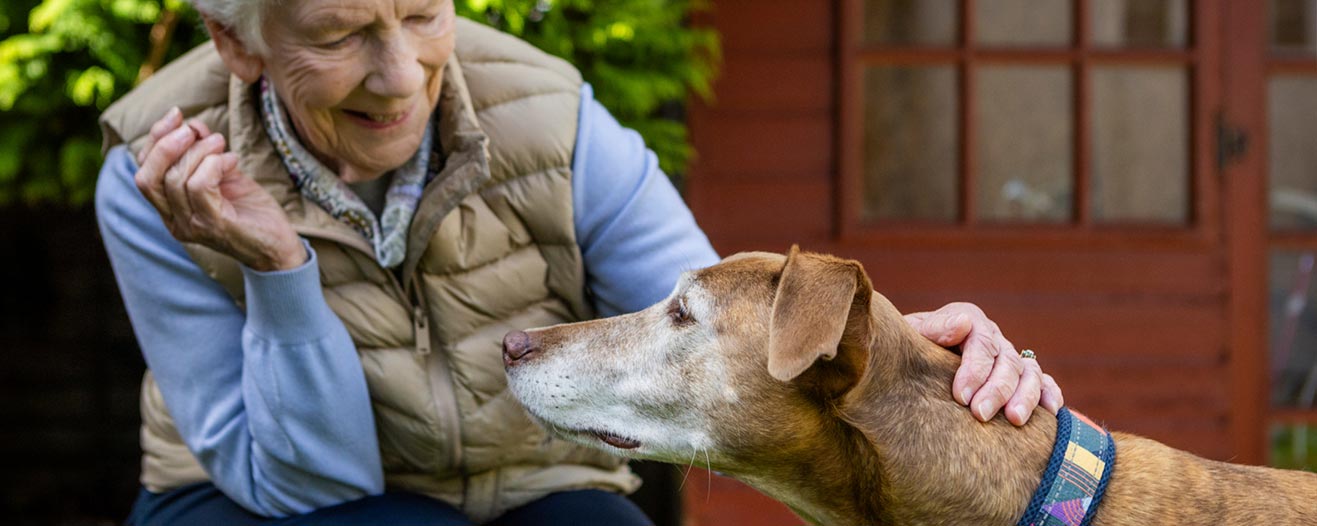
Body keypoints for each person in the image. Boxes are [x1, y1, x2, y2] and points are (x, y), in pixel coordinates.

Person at [94, 0, 1065, 524]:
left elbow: (714, 341)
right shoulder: (155, 175)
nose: (401, 78)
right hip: (247, 503)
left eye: (424, 14)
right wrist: (279, 271)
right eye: (343, 35)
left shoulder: (554, 117)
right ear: (237, 41)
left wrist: (899, 352)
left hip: (531, 490)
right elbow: (308, 487)